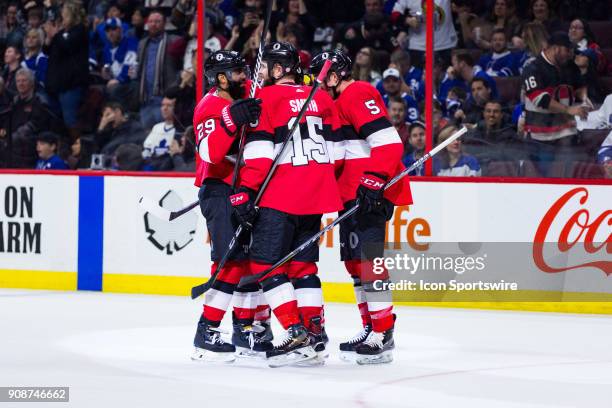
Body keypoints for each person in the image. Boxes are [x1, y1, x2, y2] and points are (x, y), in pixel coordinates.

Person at [233, 42, 341, 366]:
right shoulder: (320, 97)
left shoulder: (265, 98)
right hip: (317, 195)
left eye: (264, 67)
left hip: (281, 194)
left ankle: (294, 333)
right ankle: (315, 334)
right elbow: (336, 154)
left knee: (266, 263)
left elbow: (260, 154)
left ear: (279, 69)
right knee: (303, 267)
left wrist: (245, 192)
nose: (260, 73)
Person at [310, 49, 412, 364]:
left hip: (371, 192)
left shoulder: (358, 92)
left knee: (369, 261)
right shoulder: (337, 103)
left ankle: (383, 332)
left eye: (321, 77)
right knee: (355, 263)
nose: (318, 84)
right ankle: (371, 327)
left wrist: (373, 180)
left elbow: (389, 142)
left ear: (335, 74)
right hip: (351, 194)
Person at [191, 50, 269, 362]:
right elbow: (210, 153)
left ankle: (244, 327)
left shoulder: (243, 94)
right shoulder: (210, 106)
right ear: (221, 78)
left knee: (248, 261)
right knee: (230, 261)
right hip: (219, 191)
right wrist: (230, 119)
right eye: (238, 72)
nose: (245, 76)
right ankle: (206, 330)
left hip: (243, 190)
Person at [521, 32, 589, 175]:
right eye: (567, 50)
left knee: (568, 176)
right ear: (556, 48)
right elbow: (540, 99)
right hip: (541, 135)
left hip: (566, 131)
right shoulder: (533, 68)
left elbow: (580, 86)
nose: (570, 54)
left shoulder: (570, 66)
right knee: (546, 179)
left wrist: (584, 99)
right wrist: (568, 110)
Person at [43, 0, 89, 140]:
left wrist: (55, 35)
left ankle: (79, 148)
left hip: (71, 85)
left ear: (73, 16)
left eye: (65, 15)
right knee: (56, 121)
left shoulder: (80, 30)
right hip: (56, 84)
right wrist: (49, 39)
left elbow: (67, 46)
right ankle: (64, 148)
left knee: (70, 120)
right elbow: (47, 51)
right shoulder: (61, 33)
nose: (62, 19)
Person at [135, 10, 180, 130]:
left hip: (164, 99)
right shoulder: (142, 43)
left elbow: (181, 68)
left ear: (165, 23)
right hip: (146, 100)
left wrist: (173, 89)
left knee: (165, 134)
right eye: (150, 21)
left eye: (157, 21)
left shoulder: (174, 41)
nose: (153, 24)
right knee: (148, 139)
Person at [101, 17, 138, 100]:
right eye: (107, 30)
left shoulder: (131, 42)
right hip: (114, 82)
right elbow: (107, 66)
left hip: (128, 82)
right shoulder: (106, 48)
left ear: (120, 30)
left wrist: (119, 79)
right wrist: (106, 72)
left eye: (113, 29)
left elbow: (129, 65)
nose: (110, 33)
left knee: (113, 90)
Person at [142, 95, 178, 170]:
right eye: (163, 105)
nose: (164, 108)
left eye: (169, 106)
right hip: (153, 165)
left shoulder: (179, 130)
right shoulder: (157, 127)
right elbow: (147, 150)